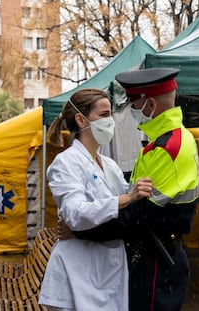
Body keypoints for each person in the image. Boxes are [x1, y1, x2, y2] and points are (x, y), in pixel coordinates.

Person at [73, 68, 199, 311]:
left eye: (133, 103)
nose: (130, 110)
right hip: (154, 253)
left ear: (150, 104)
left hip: (156, 257)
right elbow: (133, 193)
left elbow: (138, 216)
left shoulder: (168, 148)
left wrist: (81, 229)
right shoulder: (163, 142)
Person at [38, 88, 153, 311]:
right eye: (103, 114)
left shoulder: (109, 165)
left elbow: (127, 212)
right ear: (81, 120)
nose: (110, 120)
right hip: (77, 271)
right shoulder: (66, 163)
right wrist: (126, 198)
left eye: (110, 114)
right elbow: (75, 213)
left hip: (108, 270)